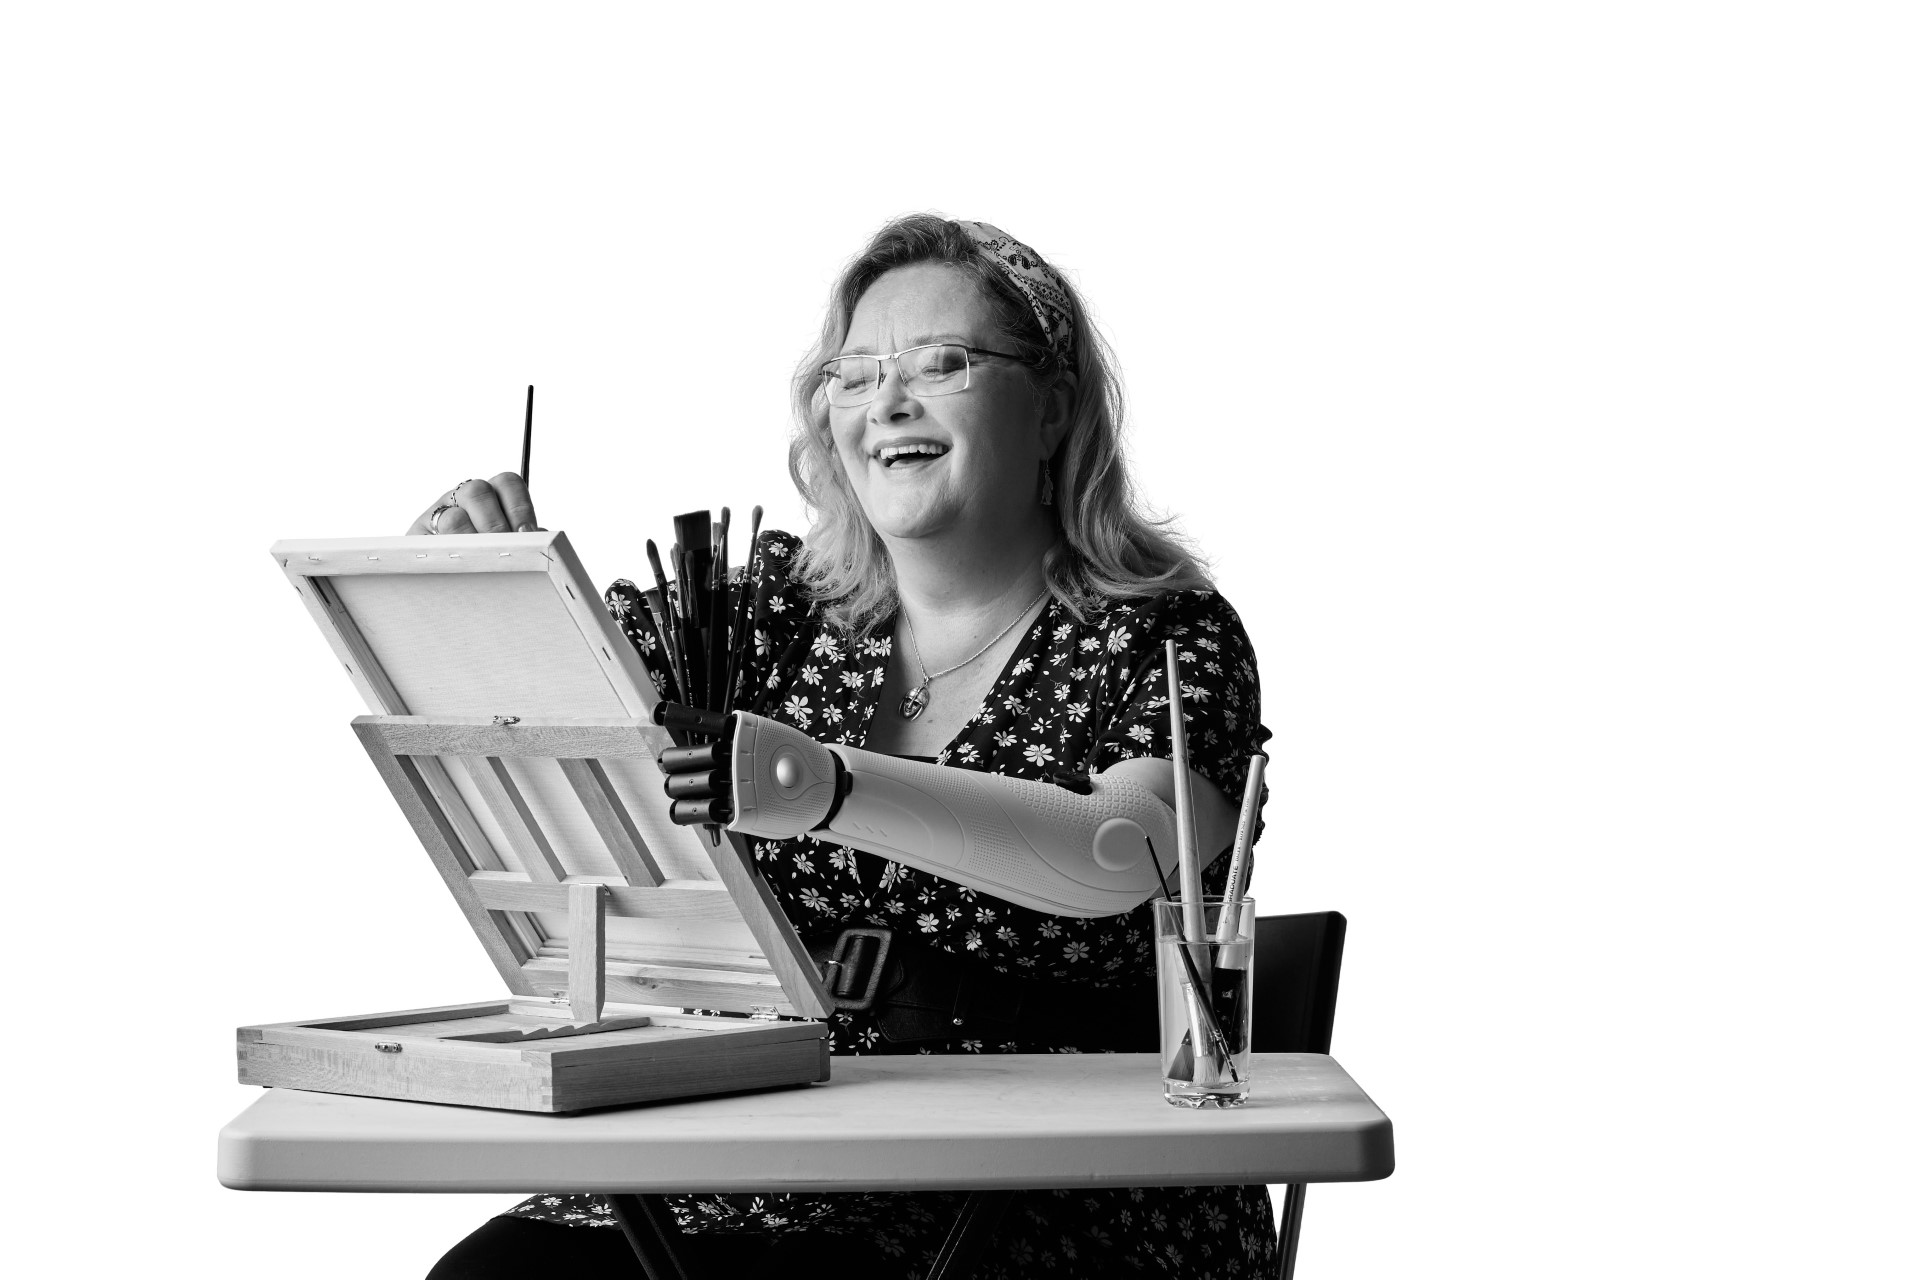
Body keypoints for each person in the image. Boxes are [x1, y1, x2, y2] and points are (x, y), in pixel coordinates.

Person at [419, 215, 1276, 1279]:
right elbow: (558, 707)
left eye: (940, 364)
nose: (888, 401)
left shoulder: (1162, 633)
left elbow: (1130, 849)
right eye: (856, 372)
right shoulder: (761, 620)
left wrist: (826, 784)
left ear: (1054, 405)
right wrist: (483, 592)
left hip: (1053, 1190)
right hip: (757, 1156)